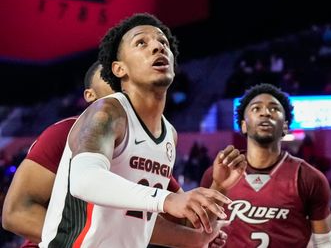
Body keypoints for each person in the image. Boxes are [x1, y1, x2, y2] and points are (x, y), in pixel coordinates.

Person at [38, 13, 231, 247]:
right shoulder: (107, 111)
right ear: (119, 69)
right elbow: (84, 180)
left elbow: (140, 220)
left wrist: (198, 238)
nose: (157, 47)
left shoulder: (169, 134)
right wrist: (167, 199)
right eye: (141, 42)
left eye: (163, 43)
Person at [3, 61, 230, 248]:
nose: (123, 86)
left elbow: (179, 222)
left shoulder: (148, 145)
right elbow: (15, 213)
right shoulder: (64, 133)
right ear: (90, 96)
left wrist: (217, 190)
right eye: (111, 79)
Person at [200, 83, 331, 247]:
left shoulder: (309, 178)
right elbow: (199, 234)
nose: (265, 113)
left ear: (285, 126)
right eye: (256, 109)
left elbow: (324, 242)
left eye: (274, 109)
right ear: (243, 125)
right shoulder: (216, 176)